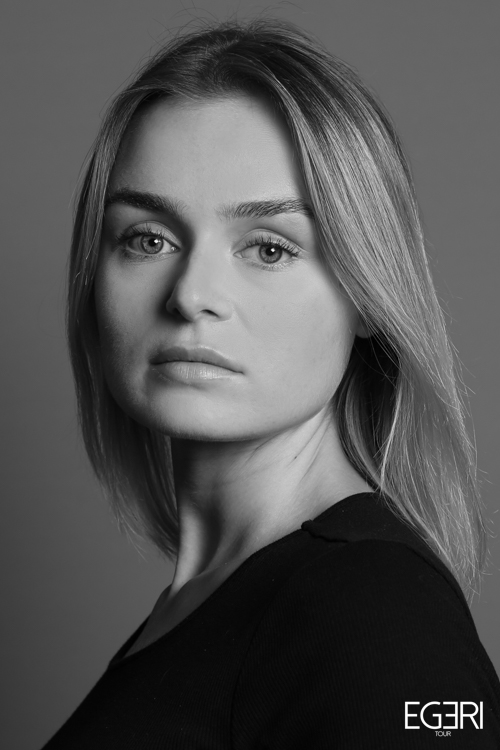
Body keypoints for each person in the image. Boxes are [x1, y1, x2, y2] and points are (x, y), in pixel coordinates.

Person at [41, 17, 500, 748]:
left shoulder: (375, 614)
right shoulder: (215, 601)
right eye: (149, 238)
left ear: (368, 295)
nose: (191, 295)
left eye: (268, 248)